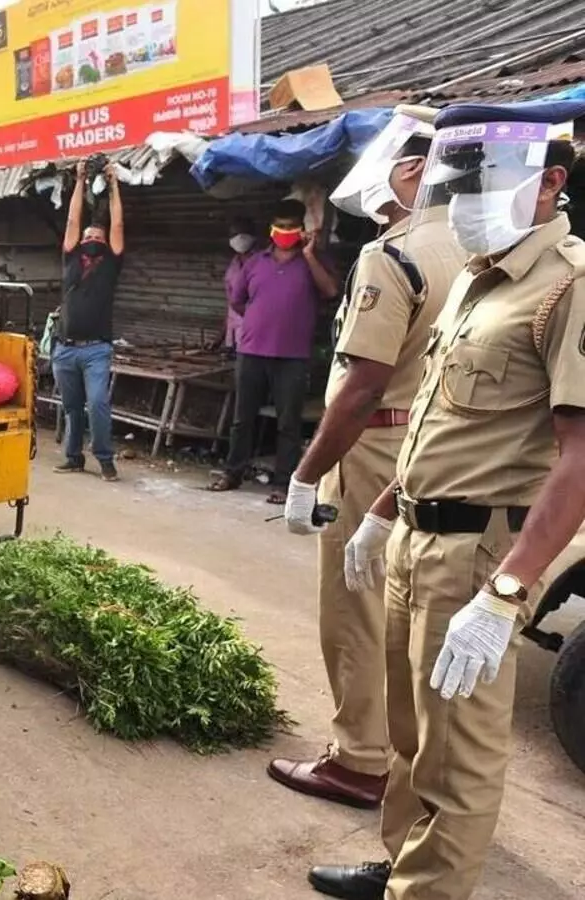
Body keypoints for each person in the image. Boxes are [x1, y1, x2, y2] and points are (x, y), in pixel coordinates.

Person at [312, 100, 585, 900]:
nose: (461, 206)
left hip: (478, 556)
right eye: (453, 187)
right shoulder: (475, 278)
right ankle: (400, 864)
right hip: (414, 537)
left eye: (481, 186)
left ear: (549, 184)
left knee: (459, 753)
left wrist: (507, 593)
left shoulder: (568, 287)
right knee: (409, 733)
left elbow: (579, 456)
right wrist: (381, 511)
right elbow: (442, 420)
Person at [270, 108, 469, 811]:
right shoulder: (476, 250)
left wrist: (302, 474)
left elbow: (361, 386)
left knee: (354, 608)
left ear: (414, 170)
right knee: (407, 611)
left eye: (387, 181)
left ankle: (358, 759)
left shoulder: (395, 253)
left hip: (375, 448)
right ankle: (407, 759)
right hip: (438, 451)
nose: (378, 200)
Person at [209, 198, 340, 502]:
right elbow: (238, 300)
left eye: (291, 227)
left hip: (292, 355)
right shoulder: (255, 261)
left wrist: (308, 254)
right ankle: (233, 471)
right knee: (242, 417)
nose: (284, 232)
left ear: (302, 230)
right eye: (280, 226)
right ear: (271, 229)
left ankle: (282, 483)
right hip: (251, 350)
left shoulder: (314, 261)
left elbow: (331, 291)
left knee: (288, 422)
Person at [53, 158, 125, 481]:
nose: (92, 234)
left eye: (99, 232)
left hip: (96, 349)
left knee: (96, 404)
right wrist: (80, 180)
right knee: (71, 407)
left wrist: (113, 187)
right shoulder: (71, 258)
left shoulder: (110, 263)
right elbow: (71, 220)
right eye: (88, 233)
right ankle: (73, 456)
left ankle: (105, 458)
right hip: (65, 349)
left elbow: (118, 227)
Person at [222, 218, 259, 350]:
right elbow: (230, 304)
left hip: (255, 335)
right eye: (234, 234)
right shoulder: (233, 266)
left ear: (253, 235)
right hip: (234, 336)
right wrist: (221, 335)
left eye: (244, 233)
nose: (240, 237)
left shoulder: (263, 263)